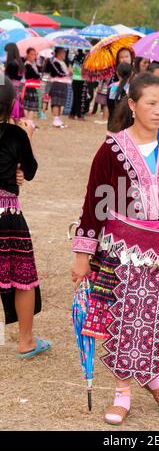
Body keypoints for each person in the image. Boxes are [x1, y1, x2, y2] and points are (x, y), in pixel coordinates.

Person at [72, 72, 159, 425]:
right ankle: (122, 392)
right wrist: (82, 256)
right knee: (122, 321)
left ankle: (152, 375)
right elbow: (94, 206)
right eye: (151, 103)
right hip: (121, 251)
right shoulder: (112, 149)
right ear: (132, 105)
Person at [0, 75, 51, 358]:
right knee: (23, 278)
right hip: (7, 214)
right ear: (10, 105)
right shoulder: (15, 134)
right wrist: (27, 136)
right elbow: (28, 171)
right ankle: (26, 341)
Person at [45, 47, 72, 128]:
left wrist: (68, 71)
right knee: (56, 102)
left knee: (60, 103)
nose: (64, 54)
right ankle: (55, 120)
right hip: (57, 83)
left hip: (63, 83)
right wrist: (68, 72)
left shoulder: (63, 62)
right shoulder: (54, 62)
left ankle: (58, 120)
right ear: (58, 53)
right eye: (63, 52)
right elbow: (59, 73)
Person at [107, 62, 132, 130]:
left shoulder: (111, 87)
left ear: (117, 73)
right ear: (131, 73)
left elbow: (109, 106)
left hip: (111, 125)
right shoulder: (131, 89)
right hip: (127, 126)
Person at [4, 43, 25, 122]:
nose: (6, 54)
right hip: (18, 89)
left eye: (6, 52)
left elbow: (5, 79)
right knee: (16, 113)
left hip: (10, 88)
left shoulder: (10, 64)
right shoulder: (20, 63)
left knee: (10, 113)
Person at [22, 48, 41, 128]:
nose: (34, 56)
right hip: (29, 86)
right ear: (28, 55)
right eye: (32, 54)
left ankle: (29, 122)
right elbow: (34, 75)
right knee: (28, 105)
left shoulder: (34, 64)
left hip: (34, 86)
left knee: (32, 106)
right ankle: (27, 122)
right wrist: (38, 75)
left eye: (35, 54)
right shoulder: (27, 64)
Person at [69, 50, 88, 121]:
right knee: (82, 98)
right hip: (82, 81)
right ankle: (80, 115)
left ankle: (72, 113)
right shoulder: (84, 61)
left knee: (76, 98)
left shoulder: (75, 60)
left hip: (74, 80)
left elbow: (73, 70)